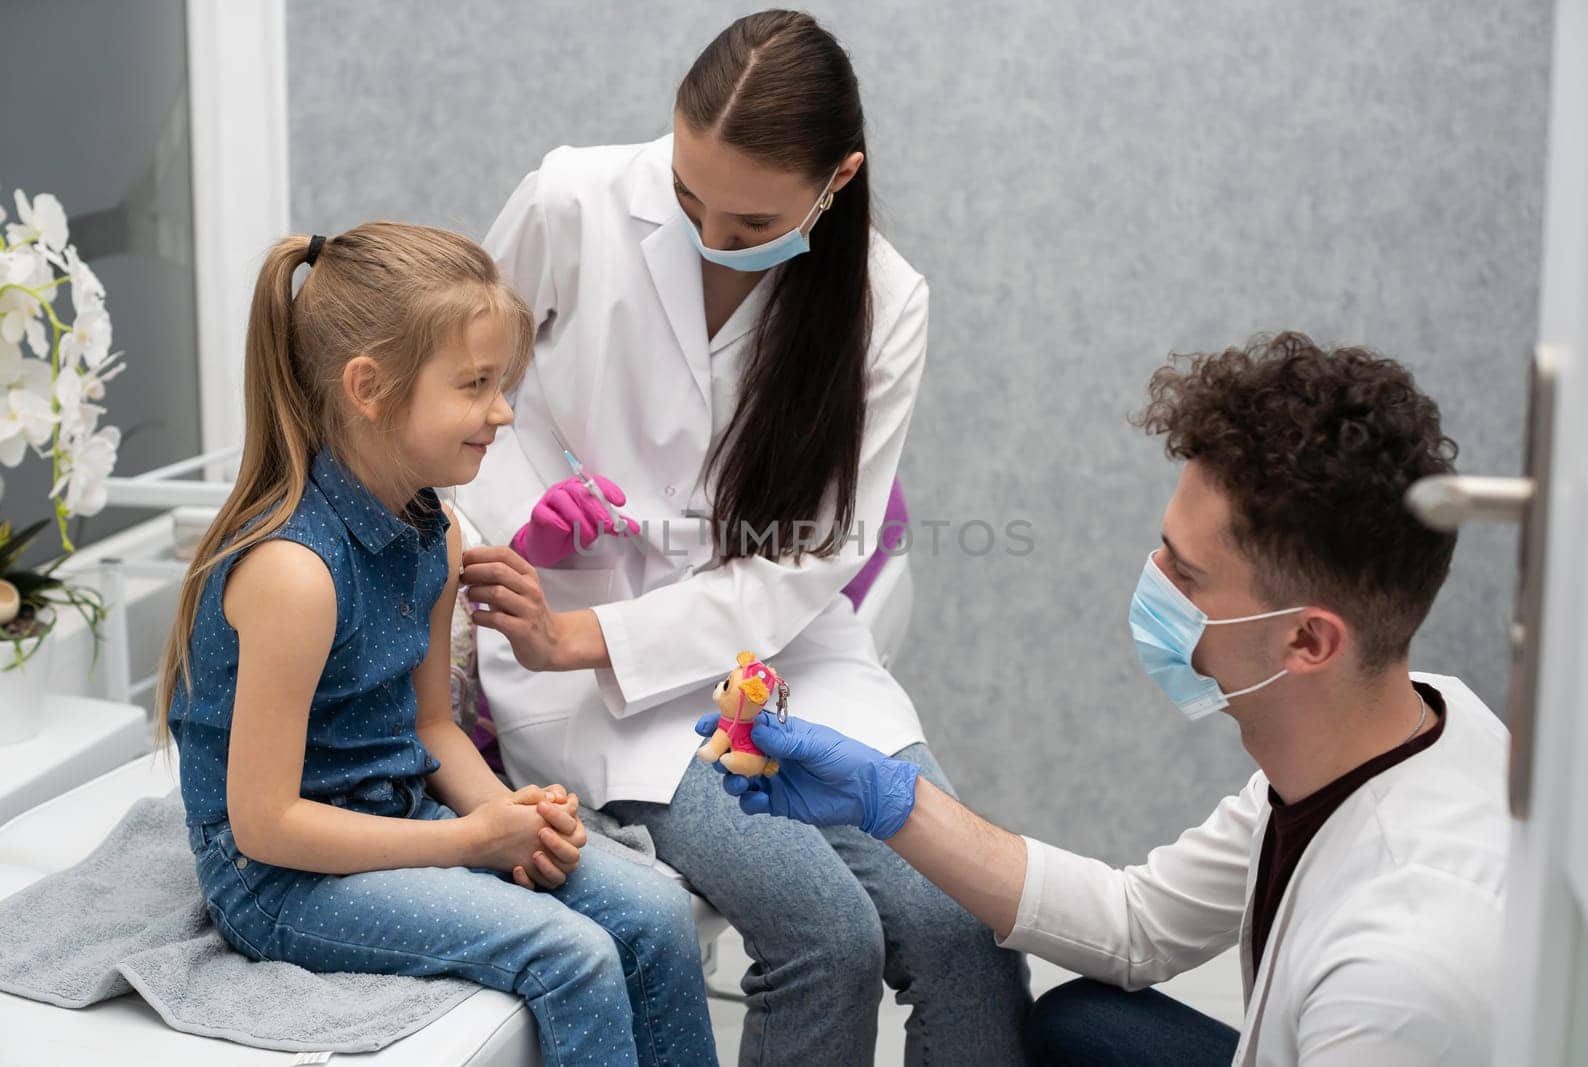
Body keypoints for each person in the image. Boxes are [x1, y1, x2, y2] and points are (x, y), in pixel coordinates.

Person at [454, 9, 1031, 1064]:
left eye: (749, 221)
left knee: (966, 930)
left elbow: (814, 553)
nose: (708, 238)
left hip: (778, 645)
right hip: (577, 640)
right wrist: (521, 524)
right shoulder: (571, 197)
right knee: (826, 934)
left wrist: (588, 635)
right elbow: (457, 386)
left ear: (837, 179)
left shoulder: (882, 301)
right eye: (686, 198)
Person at [708, 334, 1510, 1066]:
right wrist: (891, 801)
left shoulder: (1395, 978)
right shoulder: (1392, 728)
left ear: (1308, 641)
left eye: (1186, 576)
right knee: (1085, 1026)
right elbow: (1135, 923)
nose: (1152, 581)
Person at [159, 223, 717, 1066]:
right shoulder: (295, 574)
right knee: (573, 954)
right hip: (280, 880)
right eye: (476, 384)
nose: (503, 411)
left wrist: (503, 812)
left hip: (397, 815)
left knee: (659, 912)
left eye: (504, 383)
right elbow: (265, 824)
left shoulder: (436, 529)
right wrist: (466, 841)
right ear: (368, 388)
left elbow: (430, 727)